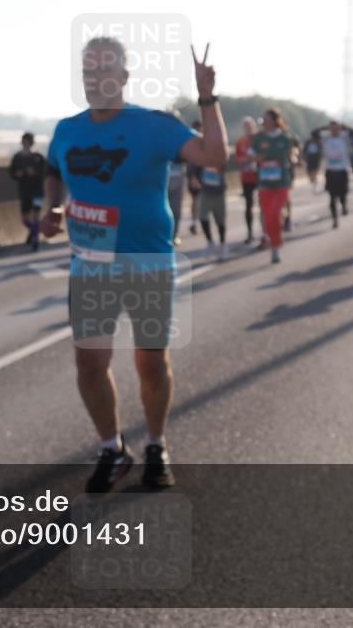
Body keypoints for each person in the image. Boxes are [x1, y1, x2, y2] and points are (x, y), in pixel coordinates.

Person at [41, 37, 227, 493]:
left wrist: (206, 98)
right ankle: (112, 449)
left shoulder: (154, 126)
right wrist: (52, 209)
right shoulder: (67, 130)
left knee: (150, 361)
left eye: (105, 71)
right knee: (89, 363)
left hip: (148, 263)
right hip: (90, 266)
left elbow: (215, 158)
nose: (95, 79)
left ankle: (157, 444)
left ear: (123, 78)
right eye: (87, 72)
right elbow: (53, 170)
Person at [252, 108, 296, 263]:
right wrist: (258, 158)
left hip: (282, 182)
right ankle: (275, 243)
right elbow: (250, 156)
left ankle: (276, 245)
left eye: (267, 119)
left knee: (274, 213)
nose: (264, 122)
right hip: (265, 183)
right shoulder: (258, 138)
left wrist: (293, 158)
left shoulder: (284, 138)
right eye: (263, 119)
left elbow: (292, 155)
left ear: (274, 120)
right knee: (268, 215)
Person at [9, 132, 47, 251]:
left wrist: (35, 173)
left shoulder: (38, 157)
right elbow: (12, 172)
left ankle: (35, 239)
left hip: (37, 191)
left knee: (36, 215)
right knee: (25, 219)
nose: (26, 144)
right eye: (24, 141)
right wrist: (17, 174)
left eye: (28, 142)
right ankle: (35, 230)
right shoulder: (17, 157)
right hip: (24, 191)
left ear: (32, 143)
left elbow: (46, 173)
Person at [234, 117, 259, 244]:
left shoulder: (260, 139)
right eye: (245, 126)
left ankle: (268, 232)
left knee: (265, 205)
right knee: (248, 206)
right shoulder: (241, 141)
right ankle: (250, 233)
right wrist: (247, 159)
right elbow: (238, 159)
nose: (248, 128)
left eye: (250, 126)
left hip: (261, 176)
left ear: (254, 126)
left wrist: (254, 158)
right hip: (247, 177)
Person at [322, 121, 351, 228]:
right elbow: (313, 133)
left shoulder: (344, 138)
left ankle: (344, 205)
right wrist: (326, 127)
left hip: (342, 170)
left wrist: (343, 126)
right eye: (332, 128)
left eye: (337, 128)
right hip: (330, 171)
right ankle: (334, 218)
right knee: (332, 196)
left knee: (343, 194)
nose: (334, 130)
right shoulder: (326, 138)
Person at [197, 159, 228, 260]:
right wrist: (192, 177)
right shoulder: (201, 151)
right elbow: (193, 164)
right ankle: (210, 242)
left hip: (219, 192)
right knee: (202, 216)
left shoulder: (220, 152)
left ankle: (222, 244)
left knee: (220, 221)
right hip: (206, 191)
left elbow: (225, 162)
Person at [186, 120, 203, 235]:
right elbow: (190, 161)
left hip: (204, 174)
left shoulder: (204, 141)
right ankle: (194, 223)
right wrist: (192, 177)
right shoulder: (190, 142)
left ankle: (197, 222)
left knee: (199, 201)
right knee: (196, 200)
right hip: (196, 174)